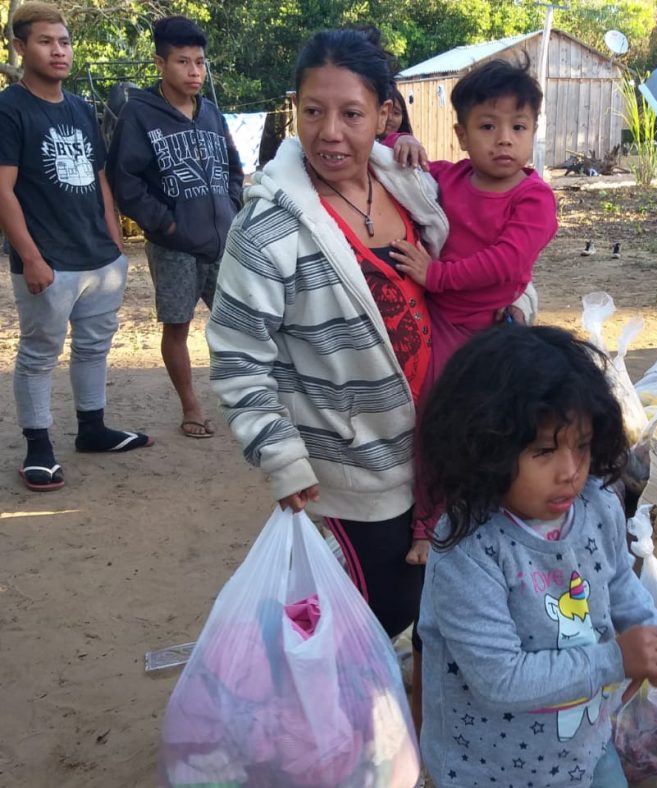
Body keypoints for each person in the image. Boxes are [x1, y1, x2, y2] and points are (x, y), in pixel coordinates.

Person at [205, 27, 448, 720]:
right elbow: (237, 353)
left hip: (436, 457)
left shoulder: (411, 187)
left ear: (384, 116)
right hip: (348, 471)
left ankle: (408, 730)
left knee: (429, 607)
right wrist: (279, 456)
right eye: (313, 111)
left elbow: (466, 273)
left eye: (350, 113)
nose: (330, 132)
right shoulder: (269, 227)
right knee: (357, 626)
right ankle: (338, 745)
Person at [416, 324, 657, 788]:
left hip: (584, 748)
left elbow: (616, 580)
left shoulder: (596, 506)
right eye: (543, 451)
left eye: (581, 445)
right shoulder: (469, 548)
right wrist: (615, 660)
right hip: (488, 772)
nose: (571, 471)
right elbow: (499, 678)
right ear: (485, 447)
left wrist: (647, 629)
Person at [385, 58, 558, 544]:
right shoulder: (451, 177)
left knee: (500, 424)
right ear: (461, 134)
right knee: (431, 420)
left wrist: (433, 274)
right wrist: (402, 143)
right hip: (438, 323)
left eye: (517, 126)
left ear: (532, 131)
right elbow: (398, 169)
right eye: (488, 126)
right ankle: (428, 521)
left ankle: (496, 506)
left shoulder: (534, 198)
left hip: (489, 332)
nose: (504, 138)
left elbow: (506, 263)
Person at [0, 1, 153, 493]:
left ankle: (92, 429)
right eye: (46, 42)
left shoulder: (81, 109)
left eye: (64, 42)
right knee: (40, 352)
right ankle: (38, 446)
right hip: (48, 258)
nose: (59, 51)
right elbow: (2, 189)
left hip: (97, 257)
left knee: (93, 346)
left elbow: (100, 178)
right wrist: (29, 256)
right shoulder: (9, 108)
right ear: (20, 48)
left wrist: (114, 242)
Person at [107, 15, 244, 438]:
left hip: (222, 243)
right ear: (160, 63)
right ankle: (190, 407)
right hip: (174, 246)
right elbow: (123, 180)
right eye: (183, 62)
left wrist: (234, 206)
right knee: (178, 326)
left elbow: (234, 168)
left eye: (200, 63)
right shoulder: (139, 115)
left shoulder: (212, 115)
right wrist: (163, 224)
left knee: (241, 324)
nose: (194, 72)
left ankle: (244, 403)